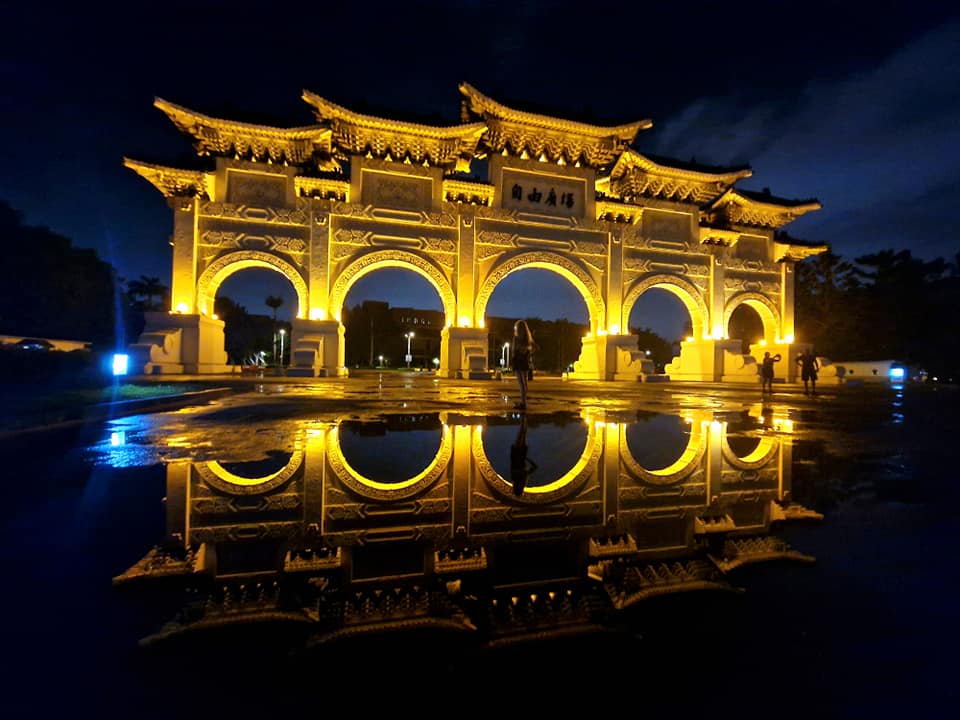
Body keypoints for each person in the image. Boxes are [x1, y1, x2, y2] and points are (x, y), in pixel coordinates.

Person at [509, 414, 537, 496]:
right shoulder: (515, 478)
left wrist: (527, 459)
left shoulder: (522, 478)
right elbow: (534, 467)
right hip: (517, 455)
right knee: (522, 434)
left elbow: (534, 467)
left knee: (522, 434)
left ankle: (524, 418)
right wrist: (526, 459)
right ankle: (524, 418)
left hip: (519, 455)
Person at [512, 319, 536, 410]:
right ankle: (523, 402)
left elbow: (514, 351)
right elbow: (534, 348)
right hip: (525, 361)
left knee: (520, 383)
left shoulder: (516, 338)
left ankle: (523, 403)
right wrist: (528, 353)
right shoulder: (528, 339)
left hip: (518, 361)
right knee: (524, 383)